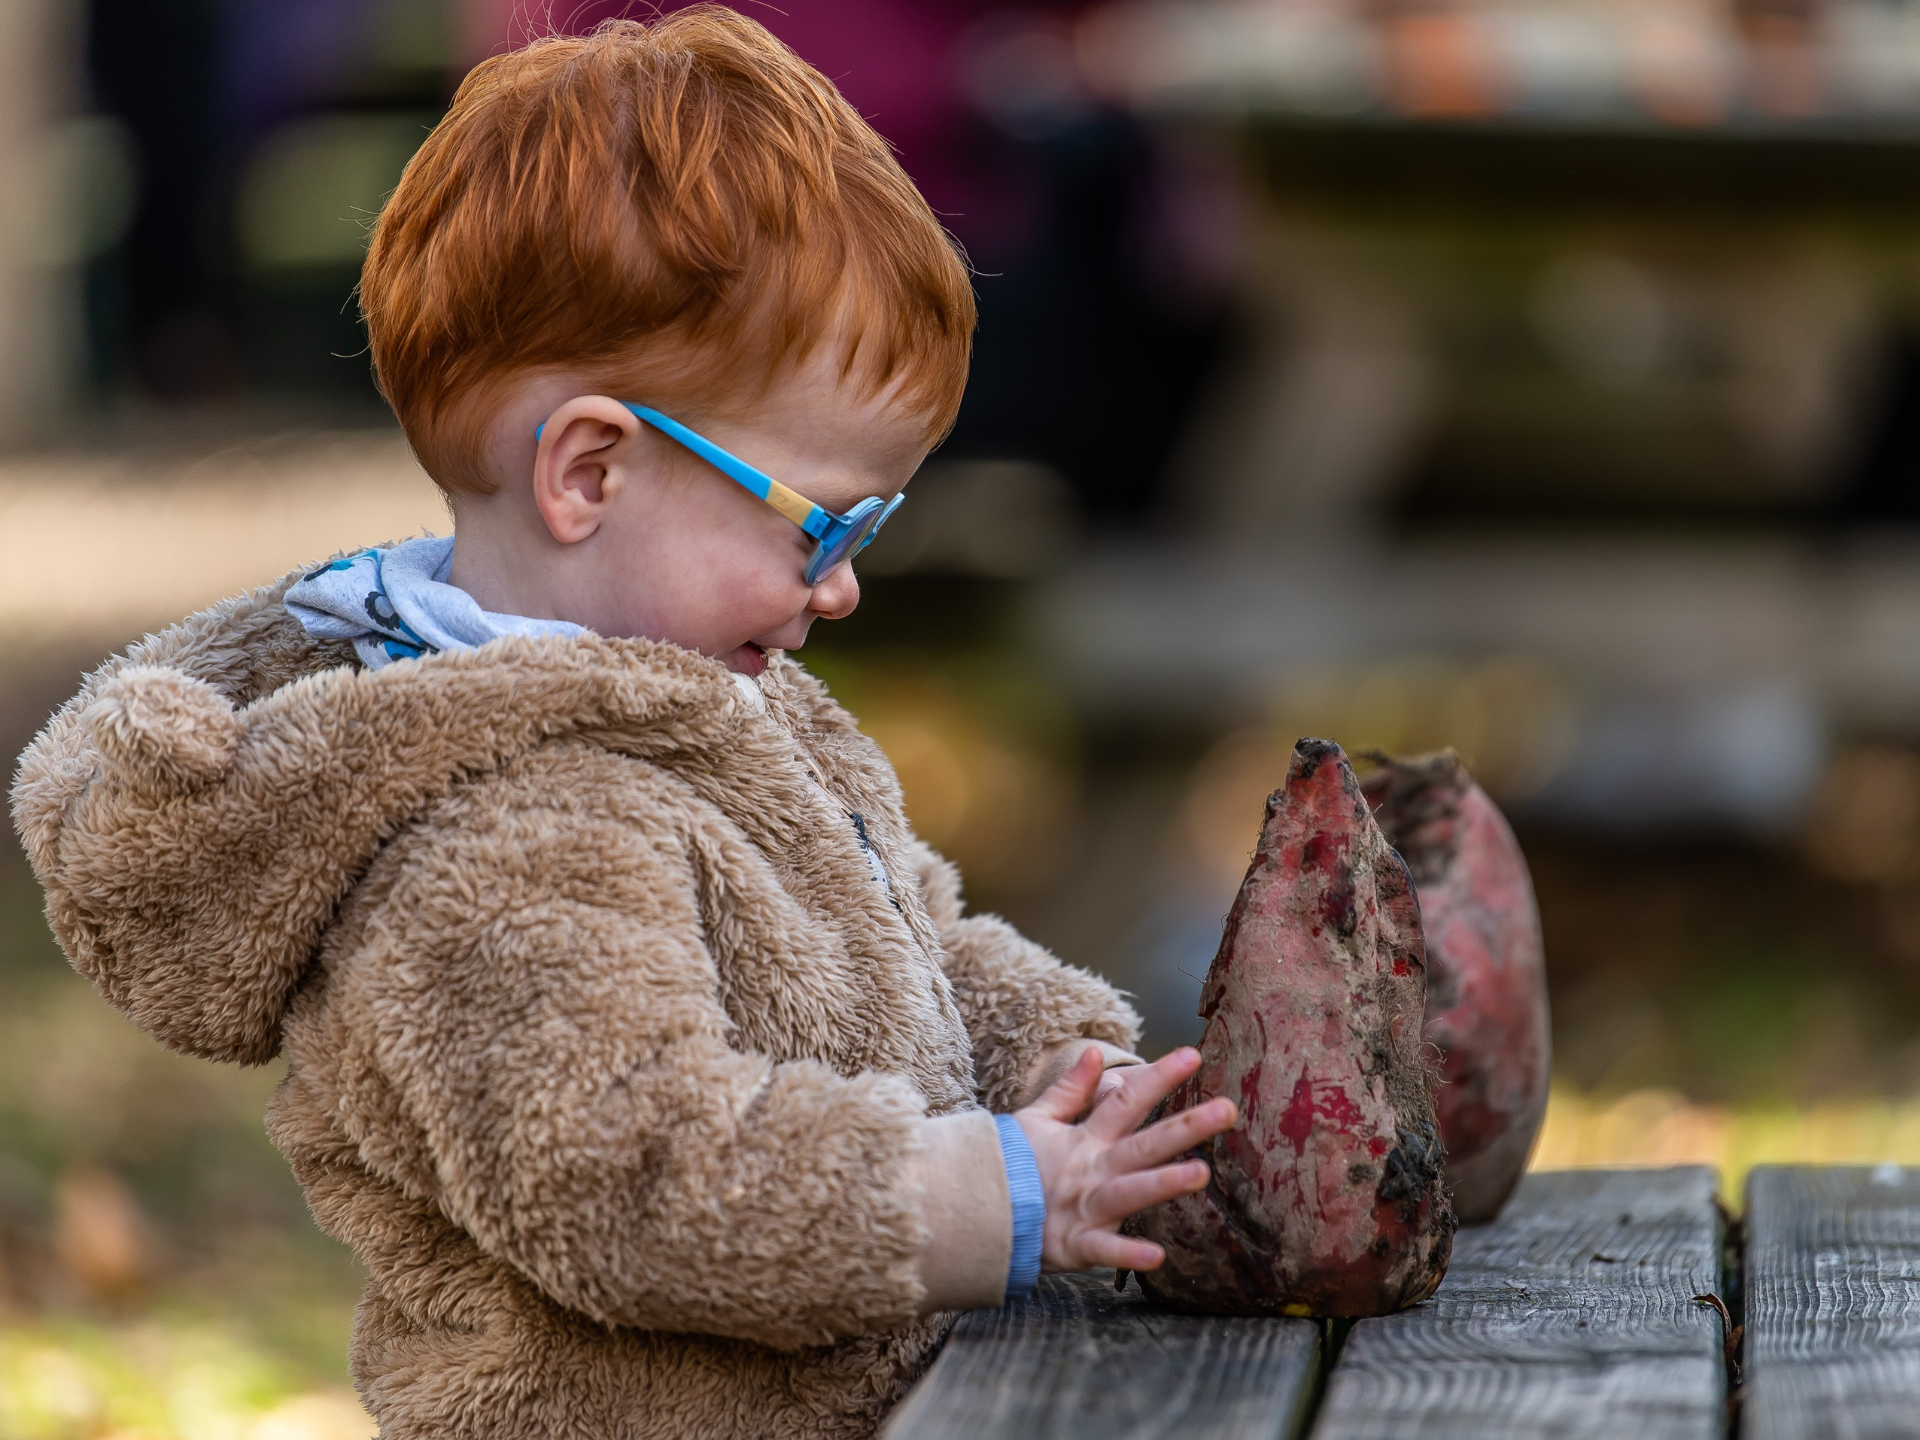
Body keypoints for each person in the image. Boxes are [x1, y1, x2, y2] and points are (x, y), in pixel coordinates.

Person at [11, 11, 1237, 1438]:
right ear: (590, 471)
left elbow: (895, 942)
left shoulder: (712, 697)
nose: (843, 584)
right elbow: (632, 1181)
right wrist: (1000, 1195)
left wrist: (1075, 1077)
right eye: (826, 520)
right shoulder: (494, 826)